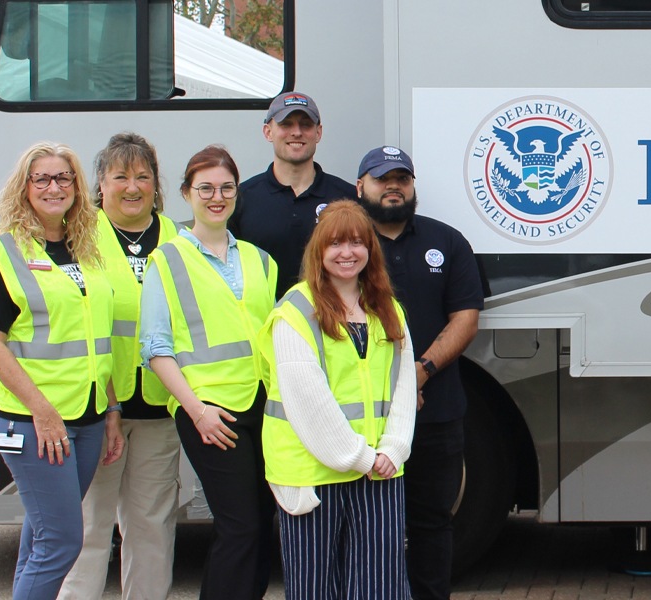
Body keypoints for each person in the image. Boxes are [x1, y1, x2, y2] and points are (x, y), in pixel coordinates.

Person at [0, 143, 123, 599]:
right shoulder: (5, 253)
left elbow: (98, 338)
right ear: (25, 188)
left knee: (41, 537)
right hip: (34, 419)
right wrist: (43, 412)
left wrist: (111, 407)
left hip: (89, 417)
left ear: (77, 187)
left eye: (64, 178)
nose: (54, 187)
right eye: (43, 179)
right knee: (61, 541)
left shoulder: (86, 251)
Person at [140, 145, 279, 599]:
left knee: (261, 526)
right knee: (239, 527)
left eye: (226, 188)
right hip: (210, 412)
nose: (216, 197)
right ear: (186, 193)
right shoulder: (168, 259)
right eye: (205, 188)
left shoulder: (261, 261)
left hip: (265, 407)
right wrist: (196, 410)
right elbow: (156, 349)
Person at [261, 200, 418, 599]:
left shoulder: (388, 309)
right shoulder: (295, 311)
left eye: (356, 242)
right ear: (319, 250)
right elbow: (308, 400)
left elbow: (402, 386)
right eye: (335, 244)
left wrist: (394, 449)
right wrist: (363, 458)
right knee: (315, 589)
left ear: (370, 249)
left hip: (381, 471)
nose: (347, 253)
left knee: (380, 589)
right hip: (313, 472)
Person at [355, 145, 485, 600]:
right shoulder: (346, 247)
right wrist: (390, 383)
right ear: (360, 187)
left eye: (402, 178)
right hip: (363, 418)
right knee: (368, 529)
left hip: (436, 414)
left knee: (431, 523)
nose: (393, 186)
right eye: (381, 178)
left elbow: (466, 317)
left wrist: (420, 373)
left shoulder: (447, 241)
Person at [60, 132, 183, 600]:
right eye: (120, 176)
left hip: (158, 408)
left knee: (151, 526)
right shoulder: (78, 236)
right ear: (100, 184)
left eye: (143, 176)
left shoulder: (178, 238)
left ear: (156, 184)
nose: (132, 187)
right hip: (94, 411)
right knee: (89, 527)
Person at [232, 91, 358, 297]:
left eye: (306, 125)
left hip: (332, 323)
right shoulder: (242, 198)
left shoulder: (347, 199)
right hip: (263, 323)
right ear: (267, 131)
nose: (296, 132)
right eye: (286, 124)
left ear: (319, 132)